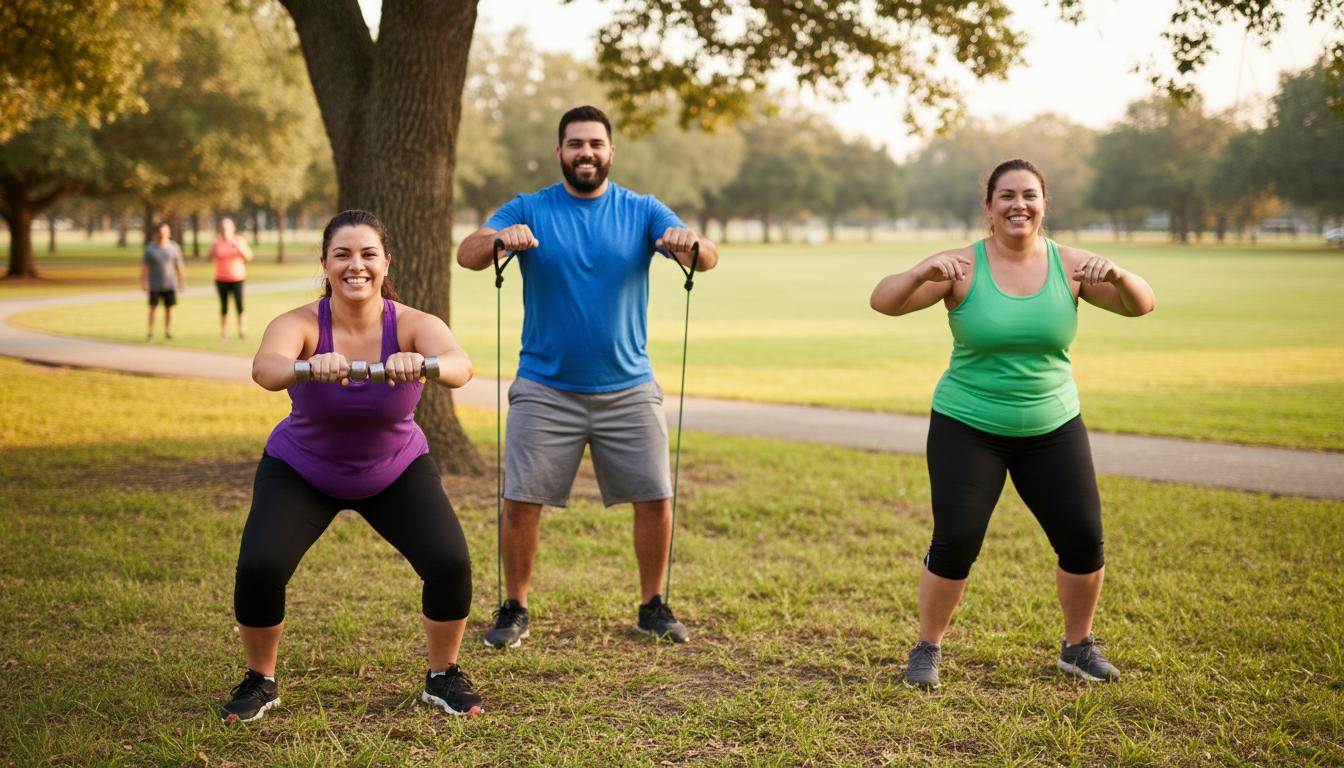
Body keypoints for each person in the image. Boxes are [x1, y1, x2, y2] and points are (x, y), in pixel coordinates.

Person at [869, 158, 1156, 688]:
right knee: (956, 540)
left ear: (1044, 204)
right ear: (989, 206)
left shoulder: (1071, 265)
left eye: (1029, 195)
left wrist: (1117, 273)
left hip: (1053, 426)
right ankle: (927, 648)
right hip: (968, 424)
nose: (1018, 204)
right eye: (1006, 195)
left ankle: (1078, 647)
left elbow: (1141, 305)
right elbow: (884, 303)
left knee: (1083, 538)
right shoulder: (961, 266)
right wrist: (918, 272)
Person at [457, 105, 719, 648]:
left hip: (629, 387)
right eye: (575, 144)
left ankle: (652, 605)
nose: (586, 153)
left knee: (655, 497)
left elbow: (706, 256)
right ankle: (514, 607)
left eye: (595, 144)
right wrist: (502, 240)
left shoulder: (641, 210)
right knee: (521, 499)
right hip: (545, 388)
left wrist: (689, 244)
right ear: (560, 152)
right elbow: (468, 254)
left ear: (610, 152)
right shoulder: (529, 207)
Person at [220, 210, 483, 723]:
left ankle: (442, 675)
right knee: (260, 566)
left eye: (367, 254)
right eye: (342, 254)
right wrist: (307, 365)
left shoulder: (412, 324)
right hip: (302, 468)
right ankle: (260, 679)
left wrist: (421, 362)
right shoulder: (299, 323)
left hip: (394, 467)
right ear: (325, 263)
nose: (355, 265)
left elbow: (460, 365)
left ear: (386, 262)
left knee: (450, 562)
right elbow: (265, 368)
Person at [206, 217, 254, 340]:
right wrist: (213, 250)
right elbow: (207, 258)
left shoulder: (239, 240)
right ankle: (224, 332)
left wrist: (238, 247)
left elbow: (248, 257)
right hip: (221, 278)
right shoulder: (216, 242)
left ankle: (242, 331)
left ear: (232, 229)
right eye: (222, 228)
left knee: (240, 305)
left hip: (237, 278)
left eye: (226, 228)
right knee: (224, 306)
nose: (224, 230)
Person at [141, 222, 186, 341]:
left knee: (169, 309)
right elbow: (145, 267)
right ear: (156, 233)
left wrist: (181, 282)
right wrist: (144, 282)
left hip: (170, 284)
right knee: (153, 308)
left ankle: (168, 331)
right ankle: (151, 332)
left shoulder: (174, 248)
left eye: (165, 233)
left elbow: (179, 266)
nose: (162, 235)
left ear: (169, 233)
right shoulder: (150, 249)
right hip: (155, 285)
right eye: (160, 233)